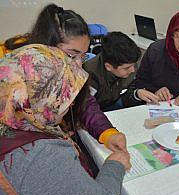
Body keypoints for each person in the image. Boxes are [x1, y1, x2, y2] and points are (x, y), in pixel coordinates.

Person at [0, 44, 131, 195]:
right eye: (65, 96)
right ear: (46, 98)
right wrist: (115, 164)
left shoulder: (14, 117)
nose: (70, 104)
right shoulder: (40, 155)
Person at [2, 4, 127, 156]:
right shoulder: (19, 75)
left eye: (83, 55)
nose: (79, 64)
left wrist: (107, 132)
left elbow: (85, 102)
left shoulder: (70, 71)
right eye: (71, 55)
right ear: (47, 49)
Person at [83, 31, 141, 111]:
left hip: (114, 103)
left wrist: (136, 94)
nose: (133, 70)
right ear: (108, 67)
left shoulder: (129, 63)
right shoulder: (89, 74)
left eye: (134, 65)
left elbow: (130, 89)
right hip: (95, 111)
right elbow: (86, 108)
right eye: (126, 68)